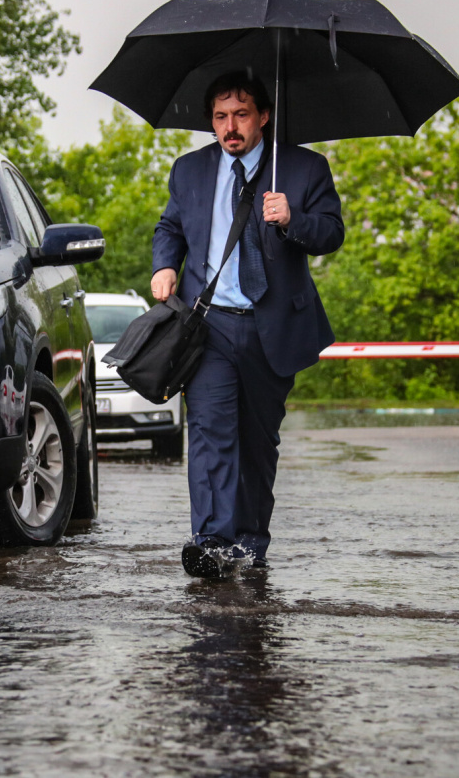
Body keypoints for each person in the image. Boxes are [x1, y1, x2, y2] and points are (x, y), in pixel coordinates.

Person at [150, 70, 344, 577]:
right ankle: (211, 541)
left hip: (270, 327)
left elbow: (331, 233)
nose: (230, 127)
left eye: (240, 115)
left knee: (257, 443)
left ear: (263, 116)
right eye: (220, 117)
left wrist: (293, 219)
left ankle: (250, 544)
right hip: (208, 325)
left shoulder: (304, 168)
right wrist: (165, 265)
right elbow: (170, 226)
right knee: (210, 432)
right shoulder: (189, 170)